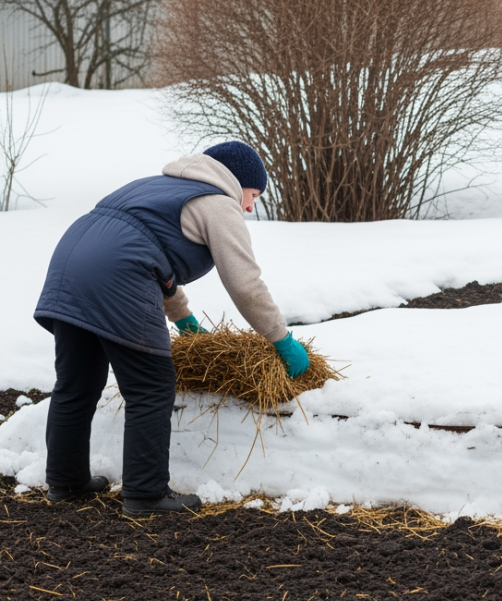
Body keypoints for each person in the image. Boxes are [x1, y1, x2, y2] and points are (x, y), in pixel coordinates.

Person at [34, 141, 311, 517]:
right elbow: (245, 283)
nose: (249, 207)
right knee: (150, 385)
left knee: (76, 384)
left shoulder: (155, 186)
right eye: (254, 195)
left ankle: (66, 483)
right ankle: (146, 494)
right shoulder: (218, 202)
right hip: (118, 274)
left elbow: (147, 252)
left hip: (69, 266)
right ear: (236, 181)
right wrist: (281, 338)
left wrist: (183, 318)